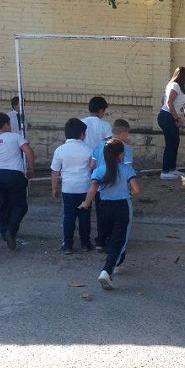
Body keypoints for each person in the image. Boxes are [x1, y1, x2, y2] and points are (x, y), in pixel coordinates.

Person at [79, 139, 140, 290]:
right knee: (120, 241)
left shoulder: (99, 171)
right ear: (121, 155)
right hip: (122, 207)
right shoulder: (127, 170)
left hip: (104, 207)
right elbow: (136, 190)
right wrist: (128, 194)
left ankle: (116, 264)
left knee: (111, 237)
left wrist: (86, 203)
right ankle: (107, 270)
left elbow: (92, 190)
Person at [0, 113, 36, 250]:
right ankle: (10, 231)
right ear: (6, 124)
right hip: (15, 175)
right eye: (9, 123)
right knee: (20, 206)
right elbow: (28, 151)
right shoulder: (15, 137)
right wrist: (31, 169)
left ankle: (5, 232)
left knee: (4, 205)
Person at [51, 118, 94, 254]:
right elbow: (93, 167)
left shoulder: (60, 150)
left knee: (68, 216)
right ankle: (85, 243)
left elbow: (55, 171)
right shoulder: (88, 149)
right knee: (85, 216)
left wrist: (54, 187)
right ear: (82, 134)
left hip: (68, 189)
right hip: (85, 188)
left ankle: (67, 245)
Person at [90, 119, 134, 251]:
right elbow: (128, 167)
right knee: (118, 218)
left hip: (100, 187)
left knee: (102, 215)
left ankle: (100, 241)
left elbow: (92, 165)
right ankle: (113, 243)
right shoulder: (124, 148)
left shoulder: (99, 145)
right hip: (118, 188)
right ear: (124, 133)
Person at [157, 67, 185, 180]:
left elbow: (163, 100)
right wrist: (176, 119)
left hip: (168, 116)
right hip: (167, 116)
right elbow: (169, 102)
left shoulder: (173, 85)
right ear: (181, 76)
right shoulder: (175, 85)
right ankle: (165, 171)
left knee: (175, 141)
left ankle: (172, 169)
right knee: (171, 143)